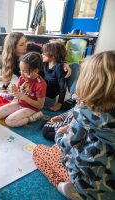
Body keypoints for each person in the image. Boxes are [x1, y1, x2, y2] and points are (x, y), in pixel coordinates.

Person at [33, 51, 115, 199]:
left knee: (39, 151)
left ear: (89, 82)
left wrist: (61, 132)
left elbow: (65, 145)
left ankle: (71, 190)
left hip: (92, 186)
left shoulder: (85, 114)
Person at [0, 32, 71, 90]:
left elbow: (53, 53)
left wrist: (62, 63)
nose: (26, 45)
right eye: (21, 45)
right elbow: (7, 73)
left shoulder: (31, 47)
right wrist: (4, 87)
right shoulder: (6, 58)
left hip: (45, 82)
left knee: (73, 66)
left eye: (25, 42)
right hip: (28, 84)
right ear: (13, 48)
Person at [0, 52, 47, 127]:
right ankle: (19, 113)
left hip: (32, 108)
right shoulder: (22, 77)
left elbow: (40, 105)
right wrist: (15, 91)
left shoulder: (40, 84)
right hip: (19, 103)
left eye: (25, 71)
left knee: (9, 122)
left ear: (35, 71)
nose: (21, 74)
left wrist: (23, 97)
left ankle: (33, 117)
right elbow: (18, 94)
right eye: (20, 70)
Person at [42, 42, 67, 111]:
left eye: (44, 53)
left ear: (53, 56)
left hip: (49, 98)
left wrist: (59, 103)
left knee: (28, 101)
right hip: (41, 93)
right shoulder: (45, 63)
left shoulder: (59, 68)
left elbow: (63, 88)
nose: (42, 55)